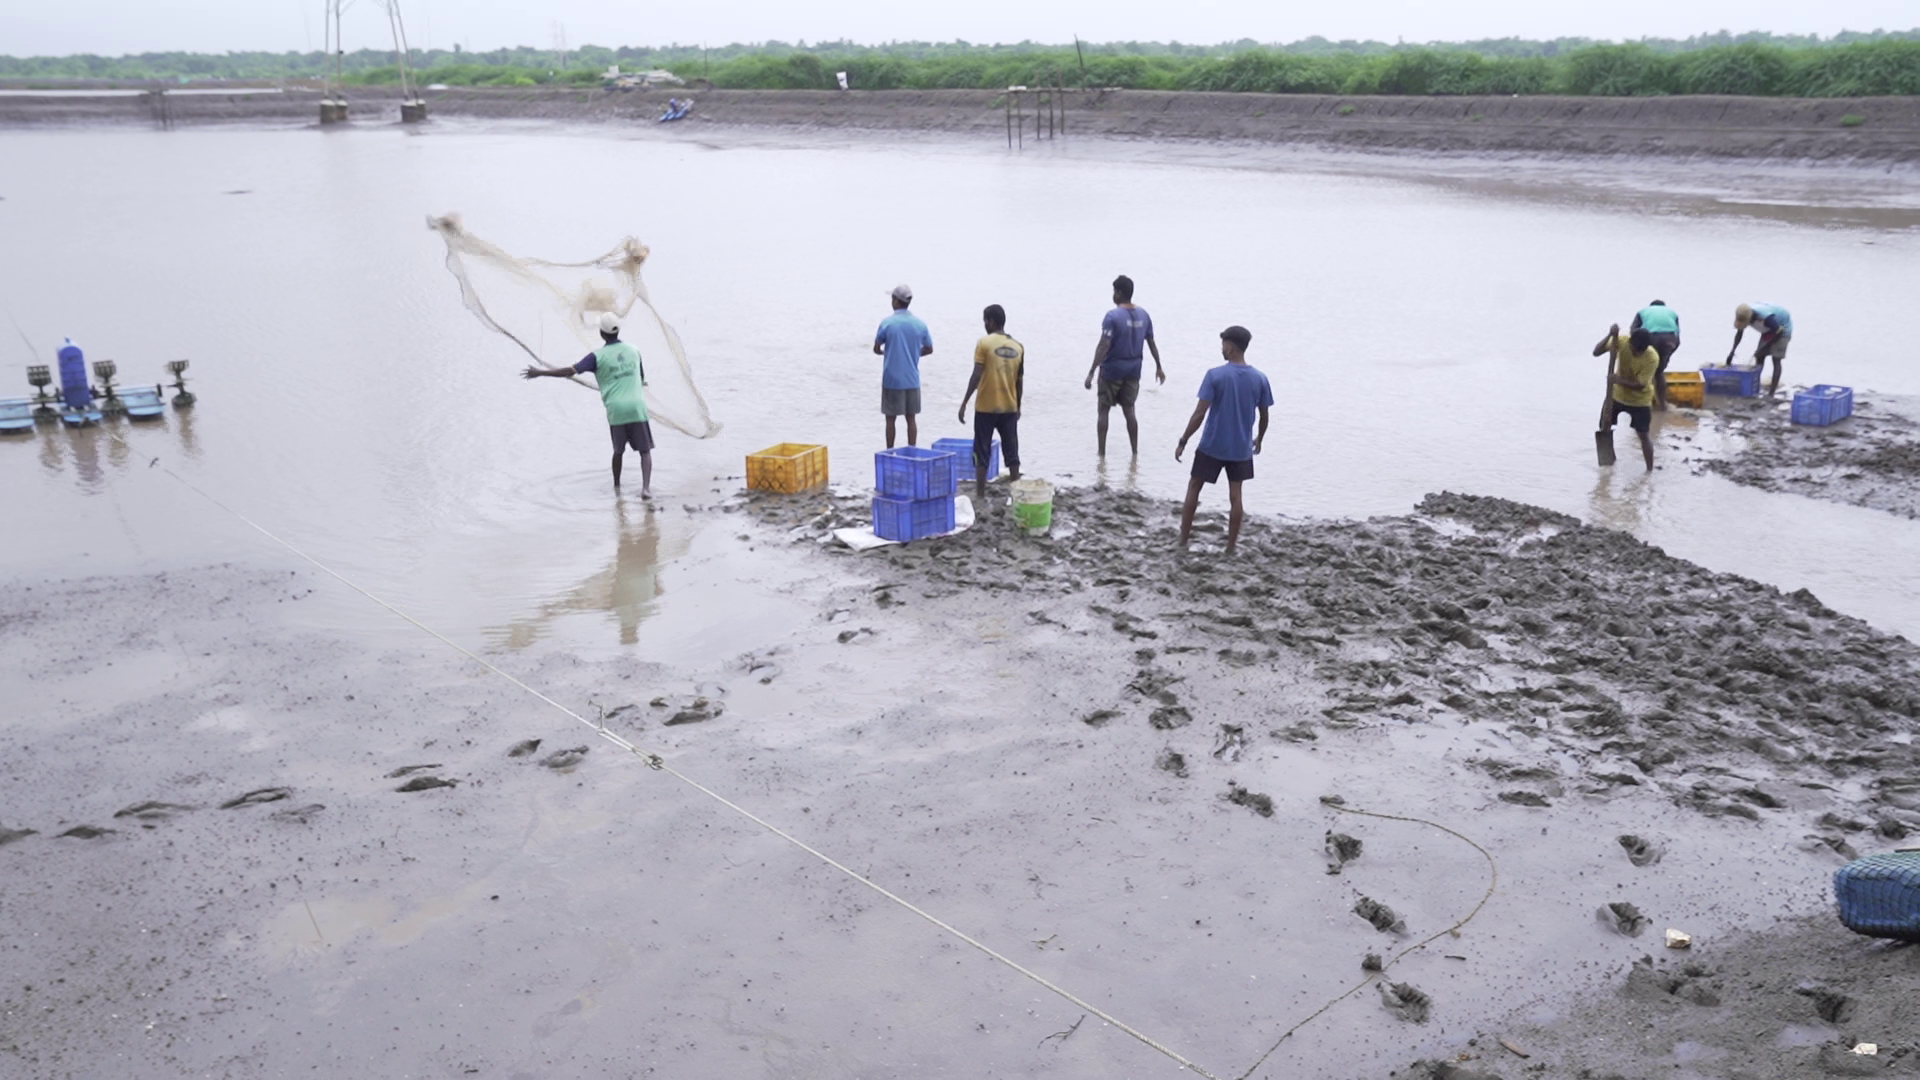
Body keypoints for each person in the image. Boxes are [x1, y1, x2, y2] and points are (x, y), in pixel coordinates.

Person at [523, 311, 653, 496]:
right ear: (618, 331)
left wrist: (541, 372)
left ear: (602, 334)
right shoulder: (634, 350)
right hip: (637, 407)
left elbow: (570, 370)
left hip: (616, 411)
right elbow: (640, 378)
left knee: (618, 451)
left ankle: (617, 488)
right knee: (645, 451)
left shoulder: (596, 357)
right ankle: (646, 488)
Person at [1175, 326, 1272, 556]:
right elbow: (1265, 415)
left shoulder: (1215, 375)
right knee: (1236, 496)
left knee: (1194, 487)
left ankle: (1183, 540)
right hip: (1241, 447)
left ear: (1230, 347)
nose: (1222, 349)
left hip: (1212, 444)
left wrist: (1183, 439)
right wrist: (1259, 439)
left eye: (1223, 345)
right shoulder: (1260, 378)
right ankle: (1230, 547)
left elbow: (1199, 414)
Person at [1082, 274, 1165, 457]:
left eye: (1114, 291)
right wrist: (1159, 366)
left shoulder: (1112, 316)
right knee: (1130, 411)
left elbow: (1104, 345)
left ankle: (1101, 454)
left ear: (1119, 293)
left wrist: (1091, 372)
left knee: (1103, 410)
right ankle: (1135, 453)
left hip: (1112, 370)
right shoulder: (1144, 315)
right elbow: (1151, 342)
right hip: (1134, 370)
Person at [956, 303, 1024, 504]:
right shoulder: (1018, 346)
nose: (985, 325)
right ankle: (1016, 492)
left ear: (991, 321)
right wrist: (1018, 405)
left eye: (985, 321)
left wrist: (965, 402)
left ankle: (979, 494)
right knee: (1012, 451)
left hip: (986, 406)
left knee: (982, 450)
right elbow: (1019, 381)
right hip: (1009, 407)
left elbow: (977, 374)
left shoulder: (984, 343)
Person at [873, 284, 933, 448]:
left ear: (896, 302)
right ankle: (912, 450)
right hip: (912, 379)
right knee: (911, 418)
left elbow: (876, 347)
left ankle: (890, 451)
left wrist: (886, 352)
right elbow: (929, 348)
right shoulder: (920, 324)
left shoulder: (887, 323)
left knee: (890, 419)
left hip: (892, 379)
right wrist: (913, 353)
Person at [1594, 322, 1659, 472]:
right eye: (1635, 350)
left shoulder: (1652, 358)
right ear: (1629, 342)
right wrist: (1610, 335)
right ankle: (1609, 465)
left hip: (1640, 400)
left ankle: (1649, 471)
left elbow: (1640, 385)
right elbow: (1596, 352)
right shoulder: (1621, 342)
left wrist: (1618, 380)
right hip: (1616, 396)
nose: (1637, 354)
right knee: (1604, 427)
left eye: (1640, 352)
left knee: (1643, 434)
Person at [1727, 302, 1793, 396]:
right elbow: (1739, 334)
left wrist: (1763, 348)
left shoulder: (1765, 318)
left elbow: (1778, 332)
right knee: (1759, 357)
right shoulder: (1744, 314)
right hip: (1768, 330)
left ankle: (1771, 393)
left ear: (1749, 318)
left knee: (1776, 359)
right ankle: (1755, 387)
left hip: (1782, 328)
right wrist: (1732, 352)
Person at [1630, 300, 1681, 409]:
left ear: (1651, 306)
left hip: (1652, 338)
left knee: (1647, 369)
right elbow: (1677, 335)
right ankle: (1662, 405)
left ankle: (1644, 401)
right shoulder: (1672, 313)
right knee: (1659, 372)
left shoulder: (1643, 312)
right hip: (1671, 340)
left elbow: (1633, 331)